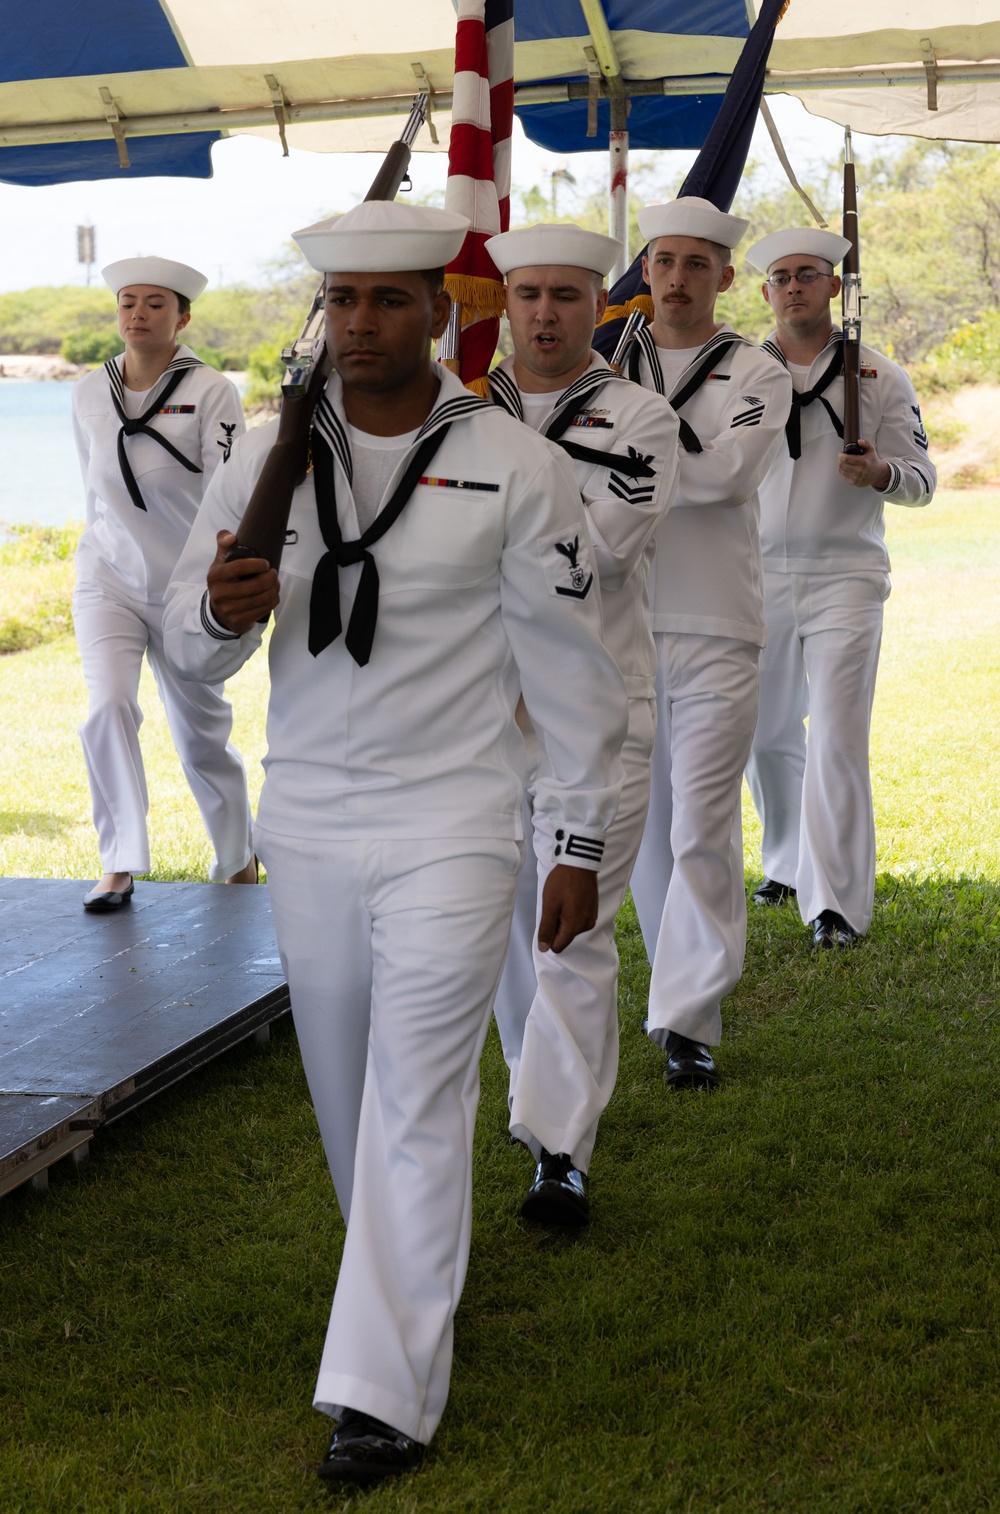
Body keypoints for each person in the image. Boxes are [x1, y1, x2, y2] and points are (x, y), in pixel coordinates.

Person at [162, 201, 628, 1484]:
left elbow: (575, 671)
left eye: (389, 301)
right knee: (348, 1096)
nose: (361, 325)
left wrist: (577, 839)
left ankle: (382, 1392)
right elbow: (188, 647)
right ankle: (411, 1289)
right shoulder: (266, 448)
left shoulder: (513, 463)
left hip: (456, 816)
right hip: (308, 814)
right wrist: (216, 606)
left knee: (421, 1091)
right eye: (342, 303)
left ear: (440, 311)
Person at [485, 222, 680, 1224]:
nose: (546, 314)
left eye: (567, 295)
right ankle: (538, 1097)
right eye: (529, 295)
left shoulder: (639, 417)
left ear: (596, 302)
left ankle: (561, 1149)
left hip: (596, 715)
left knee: (572, 929)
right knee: (506, 927)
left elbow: (592, 554)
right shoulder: (460, 412)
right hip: (479, 718)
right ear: (505, 302)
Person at [624, 197, 792, 1088]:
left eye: (697, 263)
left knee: (702, 826)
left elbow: (728, 478)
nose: (679, 278)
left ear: (726, 277)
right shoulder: (608, 363)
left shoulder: (756, 372)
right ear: (645, 270)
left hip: (719, 623)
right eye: (664, 261)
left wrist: (624, 463)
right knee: (646, 830)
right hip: (621, 624)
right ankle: (676, 993)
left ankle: (691, 1018)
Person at [743, 228, 936, 947]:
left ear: (833, 288)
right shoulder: (736, 372)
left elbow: (922, 479)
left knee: (837, 737)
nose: (794, 287)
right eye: (782, 278)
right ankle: (788, 861)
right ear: (765, 293)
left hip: (845, 578)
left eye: (808, 275)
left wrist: (881, 473)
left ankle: (837, 906)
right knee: (762, 733)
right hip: (754, 577)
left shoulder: (879, 376)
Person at [71, 256, 255, 909]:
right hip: (108, 579)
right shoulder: (90, 391)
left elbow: (232, 489)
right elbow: (93, 489)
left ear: (183, 316)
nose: (138, 314)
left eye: (154, 303)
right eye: (128, 301)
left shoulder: (211, 391)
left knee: (201, 739)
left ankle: (237, 857)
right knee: (108, 706)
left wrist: (223, 578)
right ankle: (118, 862)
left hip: (187, 586)